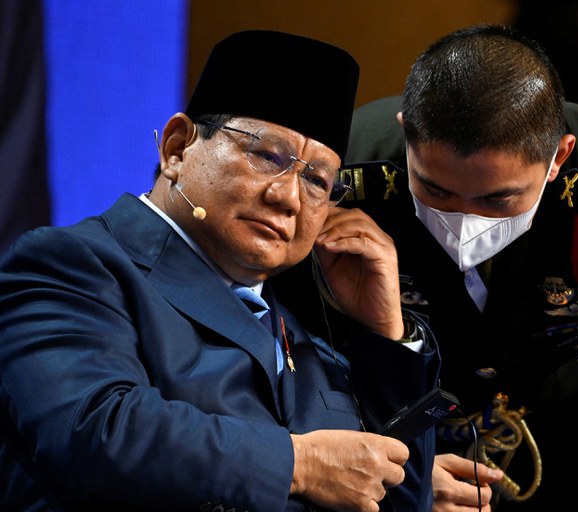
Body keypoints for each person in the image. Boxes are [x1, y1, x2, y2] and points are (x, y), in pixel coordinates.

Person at [275, 24, 578, 512]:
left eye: (499, 199)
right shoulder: (342, 171)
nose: (464, 221)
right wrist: (395, 472)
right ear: (406, 130)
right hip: (389, 427)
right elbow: (286, 358)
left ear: (558, 157)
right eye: (435, 190)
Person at [0, 30, 440, 511]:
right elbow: (93, 429)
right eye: (266, 156)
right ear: (176, 148)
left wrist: (385, 336)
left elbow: (397, 499)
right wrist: (303, 464)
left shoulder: (306, 331)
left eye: (316, 180)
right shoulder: (72, 265)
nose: (288, 197)